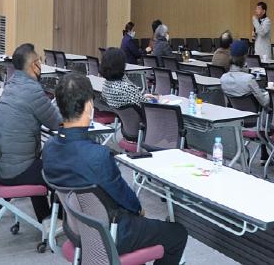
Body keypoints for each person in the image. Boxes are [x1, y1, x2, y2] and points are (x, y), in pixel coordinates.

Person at [42, 73, 187, 265]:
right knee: (177, 233)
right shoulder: (97, 155)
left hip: (77, 230)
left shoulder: (49, 148)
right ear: (89, 106)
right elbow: (125, 198)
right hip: (111, 234)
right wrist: (139, 209)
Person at [0, 43, 62, 223]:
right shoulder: (32, 90)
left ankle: (45, 219)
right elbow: (57, 123)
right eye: (39, 61)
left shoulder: (10, 85)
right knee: (64, 168)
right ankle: (60, 222)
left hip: (0, 168)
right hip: (16, 172)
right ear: (34, 65)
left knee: (38, 162)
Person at [221, 40, 269, 108]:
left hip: (235, 112)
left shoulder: (223, 78)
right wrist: (271, 94)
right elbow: (264, 102)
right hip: (253, 113)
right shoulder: (249, 79)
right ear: (245, 57)